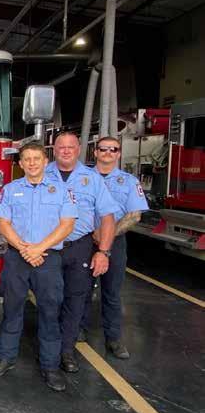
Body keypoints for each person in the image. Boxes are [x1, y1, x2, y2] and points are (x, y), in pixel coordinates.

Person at [0, 142, 77, 392]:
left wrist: (39, 248)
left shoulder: (62, 190)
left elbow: (67, 225)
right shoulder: (10, 190)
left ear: (45, 162)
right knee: (12, 309)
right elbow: (2, 223)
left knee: (50, 312)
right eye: (26, 159)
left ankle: (50, 366)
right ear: (20, 163)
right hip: (17, 258)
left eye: (36, 158)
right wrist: (24, 248)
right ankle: (6, 358)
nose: (32, 163)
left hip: (48, 258)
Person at [46, 132, 117, 373]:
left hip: (80, 247)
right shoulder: (41, 174)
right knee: (49, 300)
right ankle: (48, 349)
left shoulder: (93, 179)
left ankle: (66, 351)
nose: (66, 151)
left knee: (75, 300)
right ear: (54, 149)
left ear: (79, 150)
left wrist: (103, 252)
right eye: (61, 147)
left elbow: (108, 218)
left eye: (71, 147)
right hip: (48, 248)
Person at [80, 136, 149, 359]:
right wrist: (92, 232)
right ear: (95, 152)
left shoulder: (129, 181)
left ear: (119, 153)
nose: (108, 153)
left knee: (111, 292)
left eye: (113, 149)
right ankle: (78, 330)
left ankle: (113, 339)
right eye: (103, 149)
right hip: (85, 240)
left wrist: (107, 235)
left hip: (115, 242)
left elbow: (134, 215)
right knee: (80, 289)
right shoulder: (82, 177)